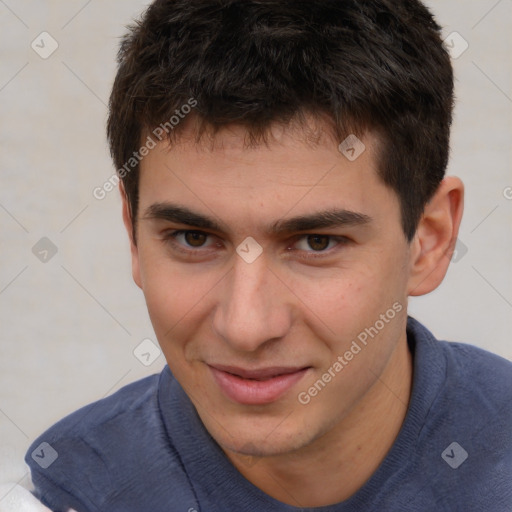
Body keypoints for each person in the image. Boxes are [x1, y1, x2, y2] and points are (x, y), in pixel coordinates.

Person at [24, 0, 512, 510]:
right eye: (193, 238)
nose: (246, 327)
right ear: (133, 237)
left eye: (316, 243)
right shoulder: (65, 496)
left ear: (429, 241)